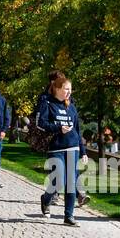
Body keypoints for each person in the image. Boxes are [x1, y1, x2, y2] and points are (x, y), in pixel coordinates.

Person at [36, 71, 85, 226]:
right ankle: (46, 199)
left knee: (71, 182)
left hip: (73, 147)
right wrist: (58, 128)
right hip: (56, 147)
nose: (68, 92)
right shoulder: (47, 103)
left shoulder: (72, 107)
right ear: (57, 88)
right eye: (66, 89)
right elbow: (40, 124)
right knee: (58, 180)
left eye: (70, 89)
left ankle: (69, 216)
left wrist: (83, 151)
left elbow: (77, 129)